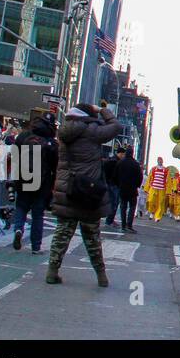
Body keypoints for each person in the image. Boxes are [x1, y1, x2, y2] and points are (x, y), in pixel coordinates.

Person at [46, 104, 120, 286]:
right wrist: (102, 110)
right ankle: (101, 276)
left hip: (68, 188)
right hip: (89, 190)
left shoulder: (64, 131)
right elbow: (116, 127)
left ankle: (52, 271)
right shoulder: (92, 131)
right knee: (92, 236)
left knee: (62, 234)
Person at [12, 112, 57, 253]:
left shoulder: (24, 136)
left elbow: (15, 155)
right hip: (42, 182)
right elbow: (55, 165)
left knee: (21, 207)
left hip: (23, 177)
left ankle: (18, 229)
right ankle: (36, 247)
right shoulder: (51, 143)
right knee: (38, 214)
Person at [115, 146, 142, 232]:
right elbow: (140, 177)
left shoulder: (120, 162)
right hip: (132, 189)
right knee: (132, 207)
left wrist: (118, 184)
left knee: (123, 207)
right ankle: (129, 225)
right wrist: (137, 185)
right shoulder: (136, 164)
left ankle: (123, 225)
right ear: (133, 153)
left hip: (122, 188)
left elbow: (115, 174)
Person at [144, 156, 169, 222]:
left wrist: (168, 191)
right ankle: (152, 212)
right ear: (157, 161)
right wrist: (146, 188)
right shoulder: (153, 168)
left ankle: (157, 216)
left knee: (160, 203)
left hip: (162, 188)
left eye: (161, 160)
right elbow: (149, 178)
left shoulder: (166, 169)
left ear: (162, 161)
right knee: (151, 200)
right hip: (153, 187)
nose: (160, 161)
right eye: (159, 160)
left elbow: (168, 180)